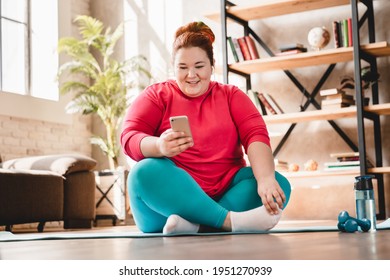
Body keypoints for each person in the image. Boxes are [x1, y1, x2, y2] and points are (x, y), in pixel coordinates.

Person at [120, 21, 291, 234]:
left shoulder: (232, 96)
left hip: (224, 191)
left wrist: (265, 180)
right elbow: (129, 137)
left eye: (199, 66)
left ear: (212, 65)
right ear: (173, 67)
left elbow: (255, 135)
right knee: (143, 173)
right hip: (167, 203)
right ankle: (227, 221)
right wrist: (159, 146)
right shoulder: (156, 95)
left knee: (279, 185)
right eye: (183, 68)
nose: (191, 75)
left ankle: (193, 225)